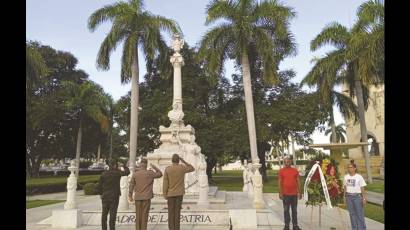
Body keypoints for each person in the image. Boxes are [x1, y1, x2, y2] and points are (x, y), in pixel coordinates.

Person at [128, 158, 162, 230]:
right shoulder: (150, 173)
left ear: (140, 164)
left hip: (138, 197)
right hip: (146, 197)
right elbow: (160, 174)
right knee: (144, 216)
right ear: (146, 165)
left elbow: (131, 185)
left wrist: (130, 196)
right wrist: (154, 166)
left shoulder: (135, 174)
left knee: (138, 215)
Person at [163, 154, 195, 230]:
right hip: (179, 194)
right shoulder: (182, 168)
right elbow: (192, 168)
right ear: (178, 160)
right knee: (177, 213)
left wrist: (165, 194)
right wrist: (184, 161)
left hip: (170, 194)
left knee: (171, 213)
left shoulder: (168, 169)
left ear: (172, 160)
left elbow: (165, 183)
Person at [95, 161, 130, 230]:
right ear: (114, 166)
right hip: (114, 196)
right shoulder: (117, 173)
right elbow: (127, 172)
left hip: (105, 196)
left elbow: (99, 186)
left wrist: (100, 194)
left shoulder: (103, 174)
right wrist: (124, 166)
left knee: (104, 215)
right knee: (112, 215)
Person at [278, 157, 302, 230]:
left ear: (290, 162)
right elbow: (279, 182)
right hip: (285, 194)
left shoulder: (295, 171)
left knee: (294, 210)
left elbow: (298, 181)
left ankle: (295, 226)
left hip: (294, 194)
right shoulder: (281, 171)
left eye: (288, 161)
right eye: (285, 162)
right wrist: (280, 193)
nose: (287, 163)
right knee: (286, 210)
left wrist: (300, 192)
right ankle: (286, 226)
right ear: (284, 163)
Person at [344, 160, 367, 230]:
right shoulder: (346, 177)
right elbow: (345, 187)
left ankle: (361, 228)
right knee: (352, 214)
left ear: (354, 168)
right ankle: (354, 228)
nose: (349, 169)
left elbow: (362, 188)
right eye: (348, 167)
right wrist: (344, 197)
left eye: (351, 167)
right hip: (349, 197)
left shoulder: (359, 177)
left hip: (357, 197)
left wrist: (364, 199)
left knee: (359, 214)